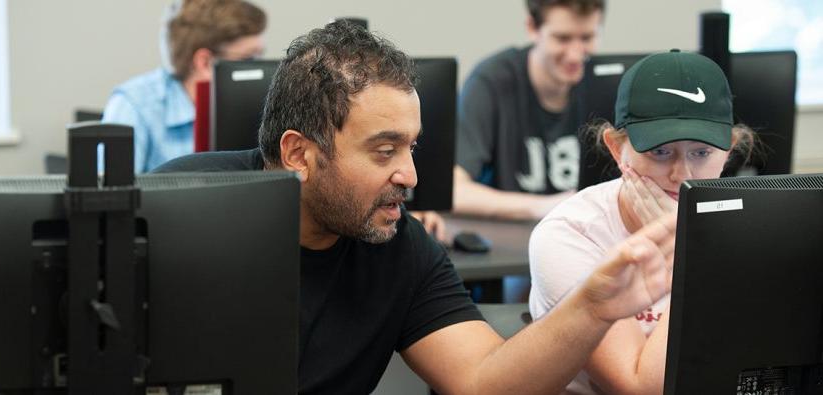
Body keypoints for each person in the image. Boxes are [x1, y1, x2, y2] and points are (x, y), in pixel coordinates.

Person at [155, 21, 675, 395]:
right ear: (299, 154)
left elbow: (482, 382)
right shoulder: (180, 212)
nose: (410, 175)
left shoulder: (399, 247)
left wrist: (593, 308)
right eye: (385, 151)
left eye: (412, 148)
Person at [528, 50, 755, 394]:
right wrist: (689, 250)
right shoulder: (569, 236)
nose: (682, 174)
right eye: (660, 152)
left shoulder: (751, 224)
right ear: (617, 150)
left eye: (702, 152)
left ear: (730, 150)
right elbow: (643, 387)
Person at [453, 0, 604, 221]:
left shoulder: (602, 82)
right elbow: (455, 192)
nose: (575, 55)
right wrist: (546, 207)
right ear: (533, 28)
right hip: (510, 243)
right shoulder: (492, 81)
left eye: (587, 38)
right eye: (562, 38)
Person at [102, 0, 266, 173]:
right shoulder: (133, 106)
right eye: (249, 59)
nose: (259, 69)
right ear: (205, 63)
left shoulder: (252, 106)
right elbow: (113, 197)